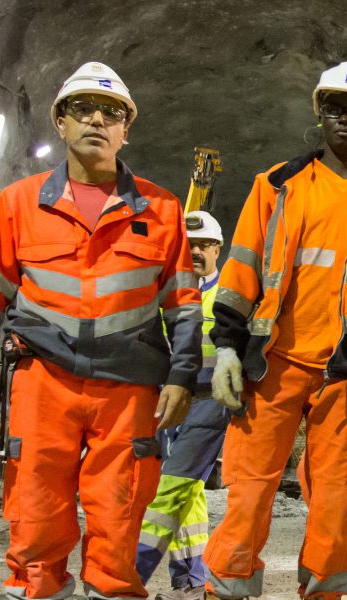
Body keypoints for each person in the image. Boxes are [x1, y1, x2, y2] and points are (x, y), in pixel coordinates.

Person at [0, 61, 200, 600]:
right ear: (59, 122)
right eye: (81, 109)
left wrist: (182, 376)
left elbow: (183, 305)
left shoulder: (162, 209)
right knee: (36, 513)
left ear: (126, 129)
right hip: (43, 380)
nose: (97, 121)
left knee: (120, 513)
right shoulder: (20, 203)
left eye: (112, 113)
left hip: (129, 387)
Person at [202, 61, 347, 600]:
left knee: (337, 500)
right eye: (333, 109)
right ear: (318, 116)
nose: (345, 121)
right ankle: (228, 588)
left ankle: (326, 593)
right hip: (273, 363)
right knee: (248, 492)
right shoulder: (277, 187)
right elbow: (239, 273)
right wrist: (226, 349)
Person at [136, 210, 232, 600]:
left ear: (217, 249)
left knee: (168, 490)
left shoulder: (228, 297)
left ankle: (128, 576)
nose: (194, 251)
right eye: (188, 245)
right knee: (188, 492)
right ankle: (191, 578)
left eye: (202, 245)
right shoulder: (164, 297)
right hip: (168, 402)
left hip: (211, 403)